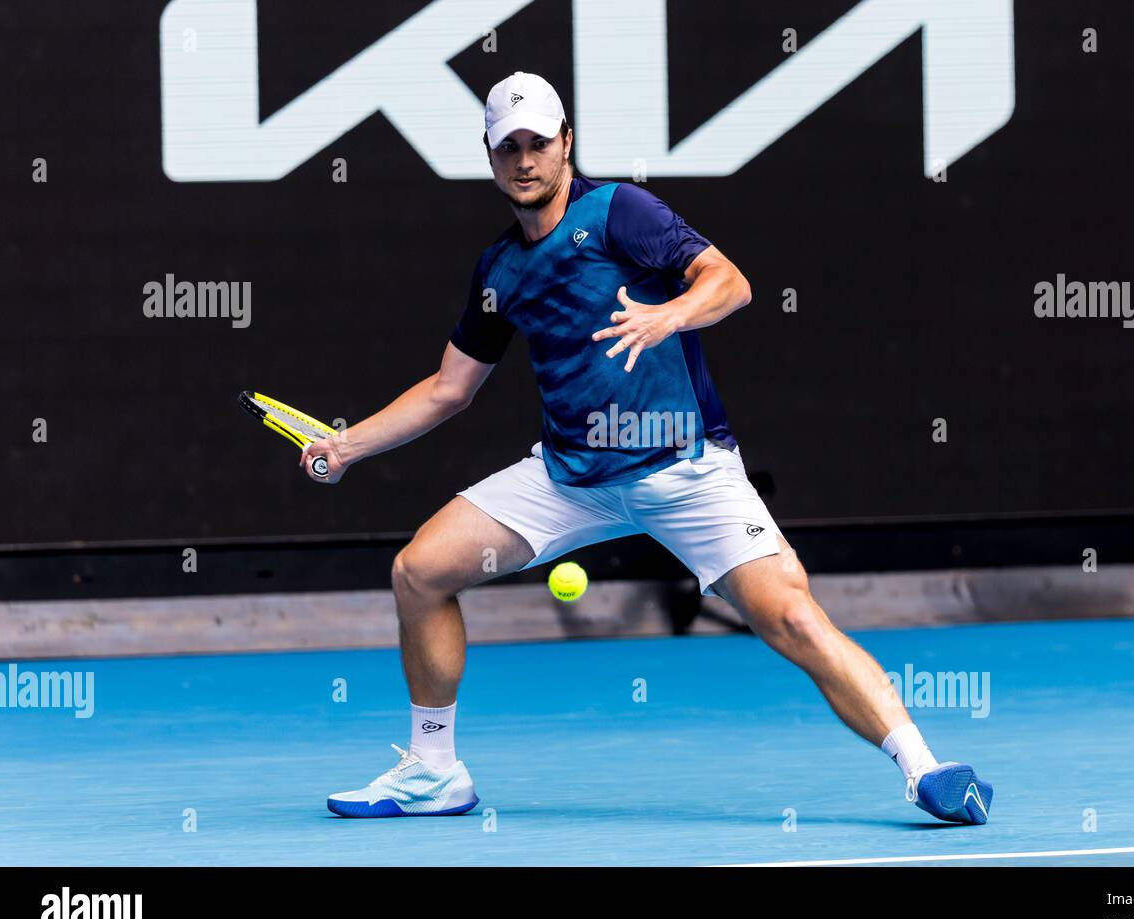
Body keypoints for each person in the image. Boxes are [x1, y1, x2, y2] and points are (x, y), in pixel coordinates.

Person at [310, 72, 992, 824]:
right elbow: (448, 389)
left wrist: (669, 315)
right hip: (572, 476)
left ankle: (926, 768)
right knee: (419, 571)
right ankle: (435, 771)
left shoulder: (620, 213)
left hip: (686, 469)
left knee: (791, 616)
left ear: (567, 143)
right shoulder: (499, 269)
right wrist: (345, 446)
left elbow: (730, 282)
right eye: (510, 147)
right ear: (491, 157)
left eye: (541, 142)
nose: (527, 159)